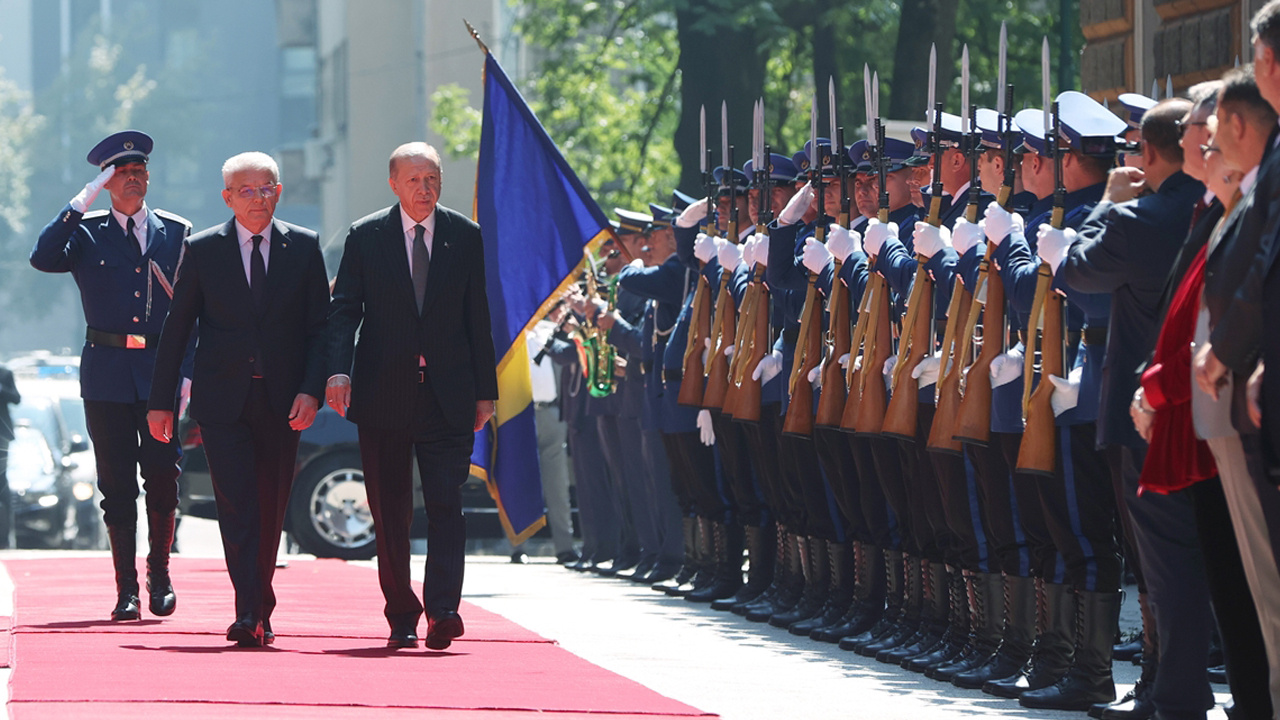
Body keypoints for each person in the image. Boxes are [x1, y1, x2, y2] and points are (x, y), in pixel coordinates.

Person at [147, 151, 331, 648]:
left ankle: (258, 604)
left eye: (266, 188)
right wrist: (161, 401)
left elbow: (321, 329)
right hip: (222, 401)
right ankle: (249, 609)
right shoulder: (205, 249)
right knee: (236, 503)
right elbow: (178, 327)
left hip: (283, 400)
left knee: (271, 504)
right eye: (246, 190)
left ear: (279, 191)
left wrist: (312, 390)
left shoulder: (304, 246)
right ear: (227, 197)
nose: (258, 198)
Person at [326, 142, 498, 651]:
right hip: (384, 395)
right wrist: (338, 373)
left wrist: (484, 392)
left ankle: (443, 610)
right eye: (414, 180)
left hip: (449, 394)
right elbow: (344, 312)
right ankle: (402, 611)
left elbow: (478, 318)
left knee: (447, 506)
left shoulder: (464, 237)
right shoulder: (366, 236)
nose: (424, 189)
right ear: (394, 183)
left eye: (433, 179)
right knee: (392, 510)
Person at [30, 130, 190, 621]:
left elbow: (194, 312)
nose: (135, 179)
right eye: (123, 173)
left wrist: (186, 375)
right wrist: (80, 202)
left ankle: (159, 575)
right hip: (106, 373)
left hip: (160, 371)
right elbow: (43, 256)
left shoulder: (178, 233)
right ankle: (126, 591)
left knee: (163, 477)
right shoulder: (87, 231)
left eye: (140, 171)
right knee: (116, 484)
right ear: (106, 181)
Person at [0, 361, 18, 548]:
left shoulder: (4, 374)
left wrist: (2, 390)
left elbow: (16, 397)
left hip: (1, 437)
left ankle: (6, 534)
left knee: (2, 483)